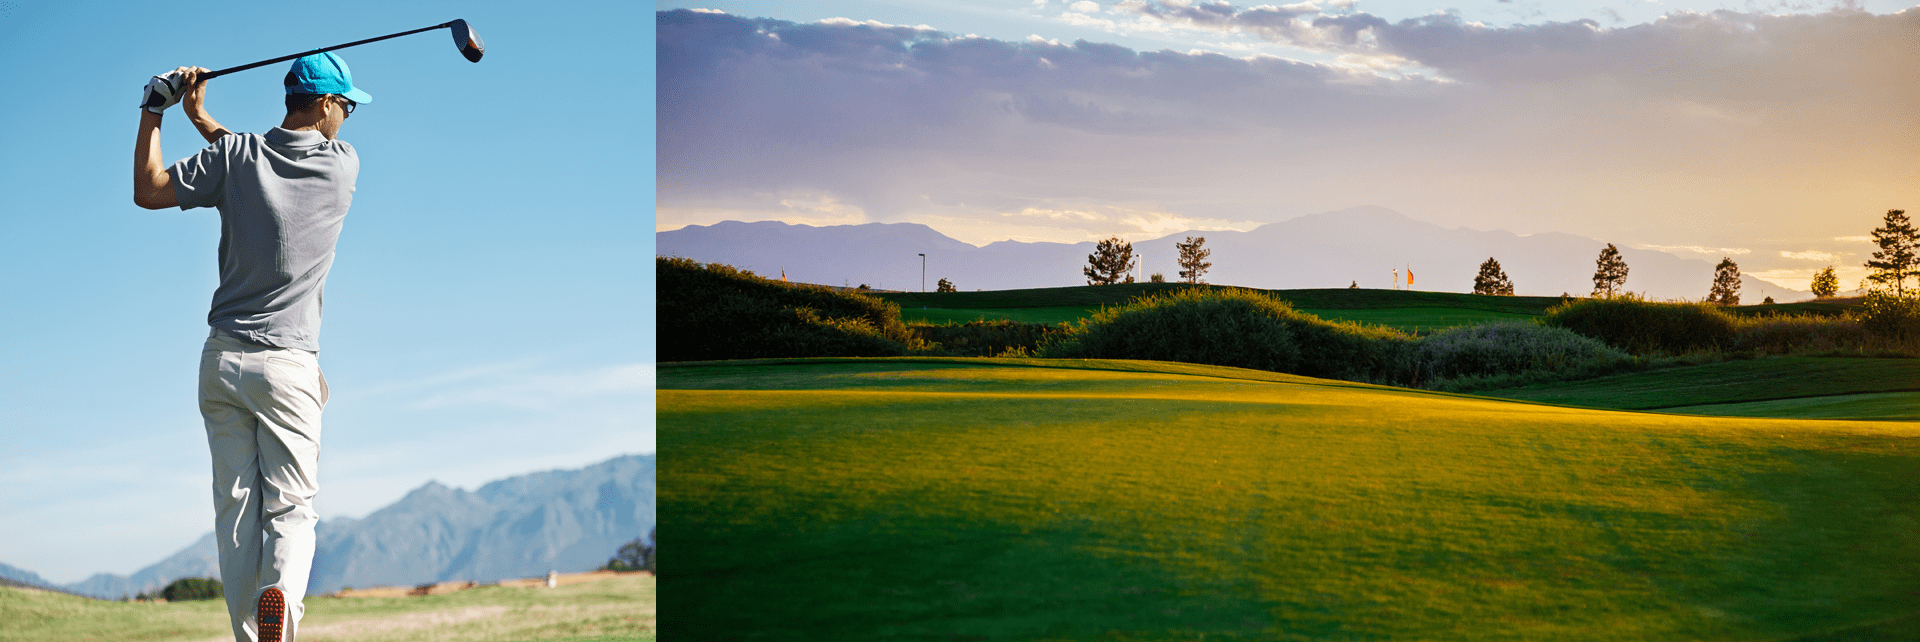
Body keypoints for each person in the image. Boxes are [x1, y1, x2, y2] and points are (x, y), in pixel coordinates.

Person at [133, 51, 370, 642]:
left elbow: (151, 189)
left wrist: (157, 110)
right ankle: (282, 606)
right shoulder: (343, 166)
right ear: (322, 104)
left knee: (235, 516)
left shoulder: (236, 158)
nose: (347, 117)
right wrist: (202, 117)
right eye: (345, 105)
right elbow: (254, 154)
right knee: (292, 507)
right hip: (289, 365)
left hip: (221, 361)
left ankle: (249, 636)